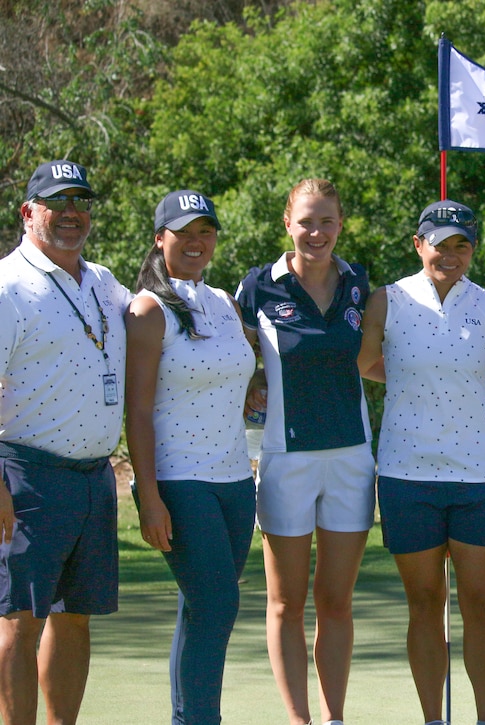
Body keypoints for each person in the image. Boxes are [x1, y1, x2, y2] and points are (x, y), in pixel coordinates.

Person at [356, 200, 485, 725]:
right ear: (417, 243)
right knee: (425, 603)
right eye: (438, 243)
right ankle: (433, 719)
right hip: (407, 475)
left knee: (480, 605)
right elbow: (361, 364)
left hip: (478, 475)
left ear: (473, 248)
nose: (449, 254)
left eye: (461, 245)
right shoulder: (388, 300)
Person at [236, 179, 377, 725]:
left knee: (336, 601)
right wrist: (249, 379)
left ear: (341, 225)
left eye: (327, 221)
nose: (316, 232)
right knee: (285, 603)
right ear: (287, 224)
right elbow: (235, 344)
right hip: (285, 460)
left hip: (350, 459)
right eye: (306, 221)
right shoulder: (258, 287)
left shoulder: (360, 284)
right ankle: (299, 720)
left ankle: (334, 717)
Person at [0, 159, 131, 723]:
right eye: (58, 203)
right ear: (29, 212)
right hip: (26, 474)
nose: (72, 213)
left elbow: (162, 325)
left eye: (81, 202)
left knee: (74, 616)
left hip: (93, 477)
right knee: (17, 622)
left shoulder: (102, 281)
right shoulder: (8, 284)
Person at [125, 190, 257, 724]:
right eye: (184, 232)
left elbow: (229, 371)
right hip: (179, 480)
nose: (197, 241)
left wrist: (246, 390)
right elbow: (136, 412)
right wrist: (149, 496)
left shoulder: (224, 301)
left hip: (232, 480)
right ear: (160, 239)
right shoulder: (148, 310)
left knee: (202, 606)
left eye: (206, 231)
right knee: (216, 605)